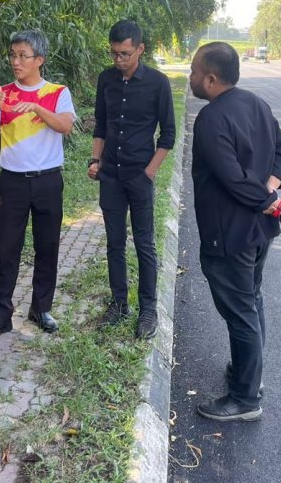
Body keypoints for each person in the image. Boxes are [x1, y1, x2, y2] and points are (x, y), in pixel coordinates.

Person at [189, 41, 281, 422]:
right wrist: (271, 188)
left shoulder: (211, 119)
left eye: (193, 73)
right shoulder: (256, 103)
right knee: (251, 301)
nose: (190, 79)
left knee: (240, 311)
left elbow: (234, 181)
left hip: (231, 233)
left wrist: (273, 200)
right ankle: (248, 376)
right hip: (259, 231)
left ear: (210, 78)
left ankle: (245, 398)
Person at [0, 30, 76, 346]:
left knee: (47, 247)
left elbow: (65, 126)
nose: (16, 61)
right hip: (12, 182)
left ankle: (40, 309)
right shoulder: (1, 92)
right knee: (5, 250)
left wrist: (37, 109)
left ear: (39, 60)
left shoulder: (58, 92)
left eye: (23, 55)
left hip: (48, 180)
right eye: (13, 55)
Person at [89, 19, 175, 339]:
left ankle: (148, 309)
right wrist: (95, 160)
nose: (118, 60)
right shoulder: (106, 80)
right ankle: (119, 303)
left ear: (140, 49)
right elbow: (101, 126)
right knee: (114, 243)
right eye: (114, 54)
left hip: (139, 175)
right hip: (110, 174)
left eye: (125, 53)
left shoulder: (158, 83)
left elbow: (168, 134)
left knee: (144, 243)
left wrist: (149, 172)